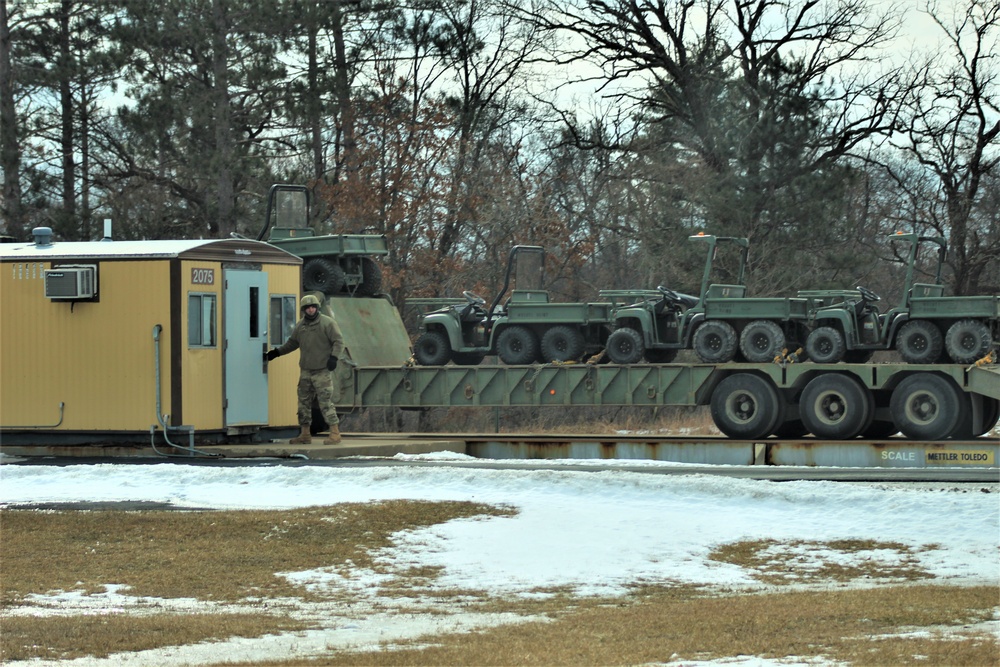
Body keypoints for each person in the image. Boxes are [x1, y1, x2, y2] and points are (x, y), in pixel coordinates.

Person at [264, 294, 345, 444]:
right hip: (306, 371)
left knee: (325, 402)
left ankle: (335, 433)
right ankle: (305, 434)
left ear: (317, 308)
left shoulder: (327, 324)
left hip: (322, 371)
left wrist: (334, 358)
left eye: (313, 307)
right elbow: (292, 343)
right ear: (303, 310)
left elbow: (339, 342)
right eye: (307, 308)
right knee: (303, 403)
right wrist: (276, 353)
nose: (311, 310)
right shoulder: (300, 326)